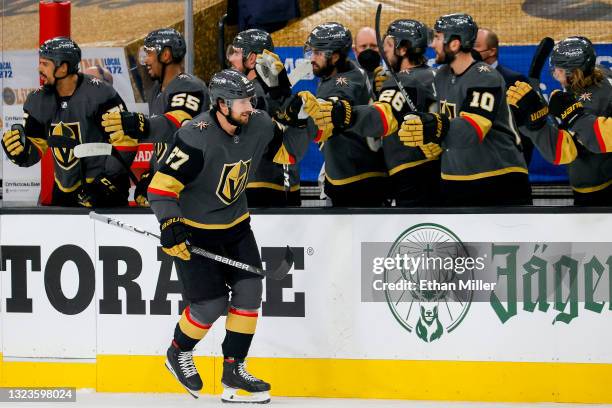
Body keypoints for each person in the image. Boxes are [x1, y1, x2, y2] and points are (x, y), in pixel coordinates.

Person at [147, 69, 308, 402]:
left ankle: (233, 371)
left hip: (236, 227)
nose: (249, 106)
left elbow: (290, 154)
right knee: (211, 305)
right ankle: (178, 351)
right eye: (241, 101)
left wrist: (301, 121)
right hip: (196, 233)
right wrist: (170, 223)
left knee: (249, 292)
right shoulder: (196, 136)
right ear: (221, 104)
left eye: (250, 99)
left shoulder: (260, 124)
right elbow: (161, 189)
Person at [398, 13, 531, 206]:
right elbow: (445, 124)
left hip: (499, 179)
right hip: (455, 179)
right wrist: (432, 140)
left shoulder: (485, 77)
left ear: (454, 44)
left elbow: (472, 130)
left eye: (437, 37)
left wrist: (434, 128)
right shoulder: (442, 75)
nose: (432, 44)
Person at [316, 19, 439, 206]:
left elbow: (379, 119)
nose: (384, 50)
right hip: (438, 172)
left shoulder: (401, 81)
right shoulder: (436, 75)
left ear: (403, 49)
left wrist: (344, 113)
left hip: (412, 175)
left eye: (388, 44)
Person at [1, 37, 136, 207]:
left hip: (105, 187)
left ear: (63, 68)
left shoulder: (100, 93)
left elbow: (125, 140)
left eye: (45, 64)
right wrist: (20, 152)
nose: (39, 69)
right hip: (65, 189)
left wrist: (106, 181)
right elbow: (35, 148)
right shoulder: (37, 100)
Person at [101, 28, 209, 207]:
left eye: (149, 53)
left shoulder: (189, 86)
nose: (146, 60)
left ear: (166, 55)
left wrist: (138, 123)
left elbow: (177, 126)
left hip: (191, 191)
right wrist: (150, 175)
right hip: (169, 186)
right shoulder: (156, 92)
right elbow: (163, 145)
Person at [507, 36, 612, 205]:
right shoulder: (600, 74)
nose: (555, 73)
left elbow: (562, 153)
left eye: (560, 69)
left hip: (596, 188)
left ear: (575, 72)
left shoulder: (585, 104)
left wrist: (534, 124)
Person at [298, 22, 387, 207]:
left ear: (335, 56)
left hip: (355, 178)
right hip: (354, 171)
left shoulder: (342, 81)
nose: (312, 58)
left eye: (318, 53)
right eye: (311, 52)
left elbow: (337, 102)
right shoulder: (343, 72)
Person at [227, 28, 312, 206]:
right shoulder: (270, 90)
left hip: (263, 184)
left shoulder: (251, 94)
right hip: (281, 183)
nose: (231, 58)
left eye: (236, 52)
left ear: (251, 59)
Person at [473, 28, 534, 166]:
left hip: (507, 162)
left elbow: (526, 127)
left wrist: (520, 162)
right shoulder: (461, 80)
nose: (470, 51)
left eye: (475, 46)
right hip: (474, 162)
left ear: (492, 51)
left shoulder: (514, 80)